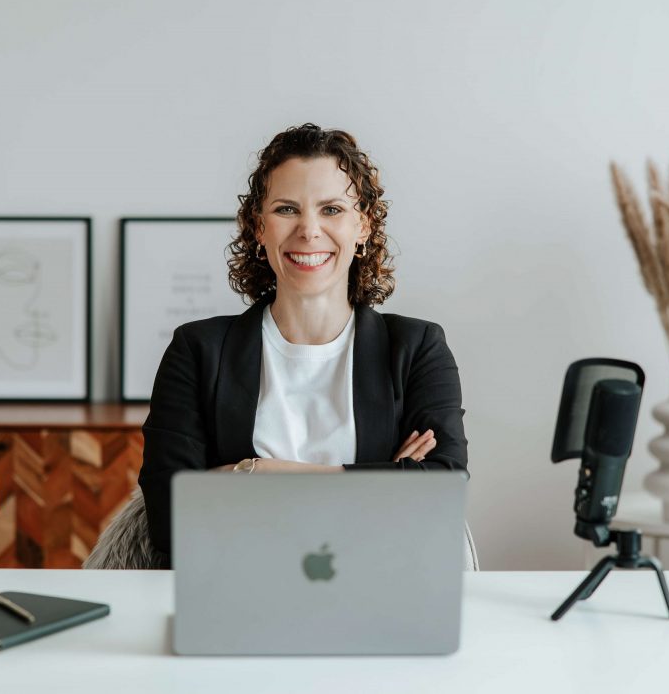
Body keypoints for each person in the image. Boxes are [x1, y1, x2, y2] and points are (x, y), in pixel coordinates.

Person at [138, 123, 468, 566]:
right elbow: (170, 519)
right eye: (287, 209)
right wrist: (389, 479)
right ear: (259, 227)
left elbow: (439, 498)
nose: (309, 230)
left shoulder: (417, 348)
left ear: (363, 225)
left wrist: (255, 472)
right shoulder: (197, 351)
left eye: (331, 209)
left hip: (375, 586)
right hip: (237, 586)